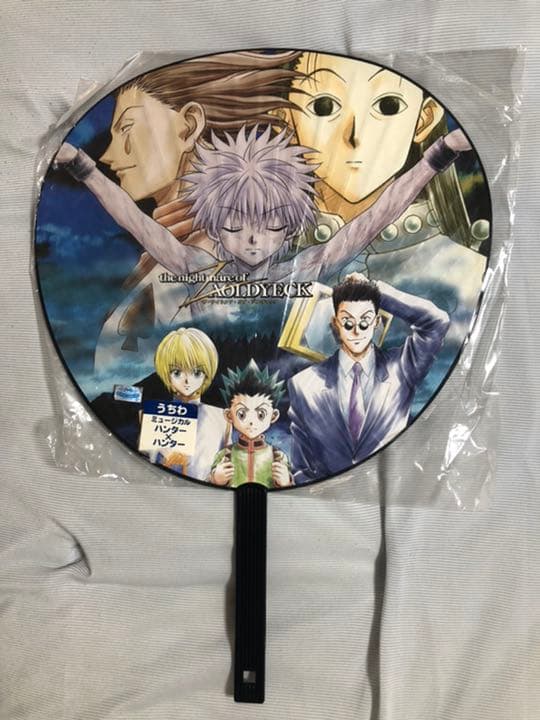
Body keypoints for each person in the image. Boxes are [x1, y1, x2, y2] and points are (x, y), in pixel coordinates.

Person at [75, 51, 305, 368]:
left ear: (189, 126)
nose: (109, 155)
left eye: (126, 128)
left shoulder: (209, 258)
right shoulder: (177, 251)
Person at [55, 124, 472, 290]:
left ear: (289, 227)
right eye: (236, 226)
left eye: (270, 225)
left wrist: (438, 155)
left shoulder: (304, 268)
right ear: (215, 228)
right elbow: (135, 220)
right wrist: (82, 167)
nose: (253, 239)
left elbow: (376, 217)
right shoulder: (194, 265)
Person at [287, 275, 450, 484]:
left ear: (376, 322)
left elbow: (437, 322)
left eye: (364, 322)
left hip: (391, 492)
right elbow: (301, 468)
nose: (356, 331)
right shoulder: (303, 385)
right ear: (335, 323)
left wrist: (379, 292)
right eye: (348, 323)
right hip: (329, 498)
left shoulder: (402, 367)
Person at [148, 327, 230, 481]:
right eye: (177, 372)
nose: (187, 380)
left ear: (207, 373)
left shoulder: (222, 418)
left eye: (196, 373)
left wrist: (217, 479)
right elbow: (146, 464)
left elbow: (228, 466)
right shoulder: (156, 413)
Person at [209, 360, 292, 489]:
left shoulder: (278, 457)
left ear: (273, 416)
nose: (252, 422)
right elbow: (209, 487)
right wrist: (216, 479)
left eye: (261, 414)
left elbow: (290, 492)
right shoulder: (224, 455)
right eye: (242, 414)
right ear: (229, 415)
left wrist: (286, 482)